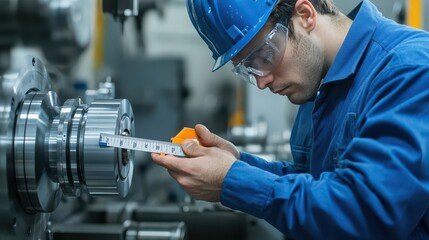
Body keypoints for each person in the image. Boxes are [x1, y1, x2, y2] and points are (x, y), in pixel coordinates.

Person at [152, 0, 429, 238]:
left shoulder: (409, 70)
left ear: (306, 14)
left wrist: (232, 180)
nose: (261, 82)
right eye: (248, 68)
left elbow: (367, 213)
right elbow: (314, 182)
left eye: (263, 54)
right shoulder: (320, 85)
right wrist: (237, 164)